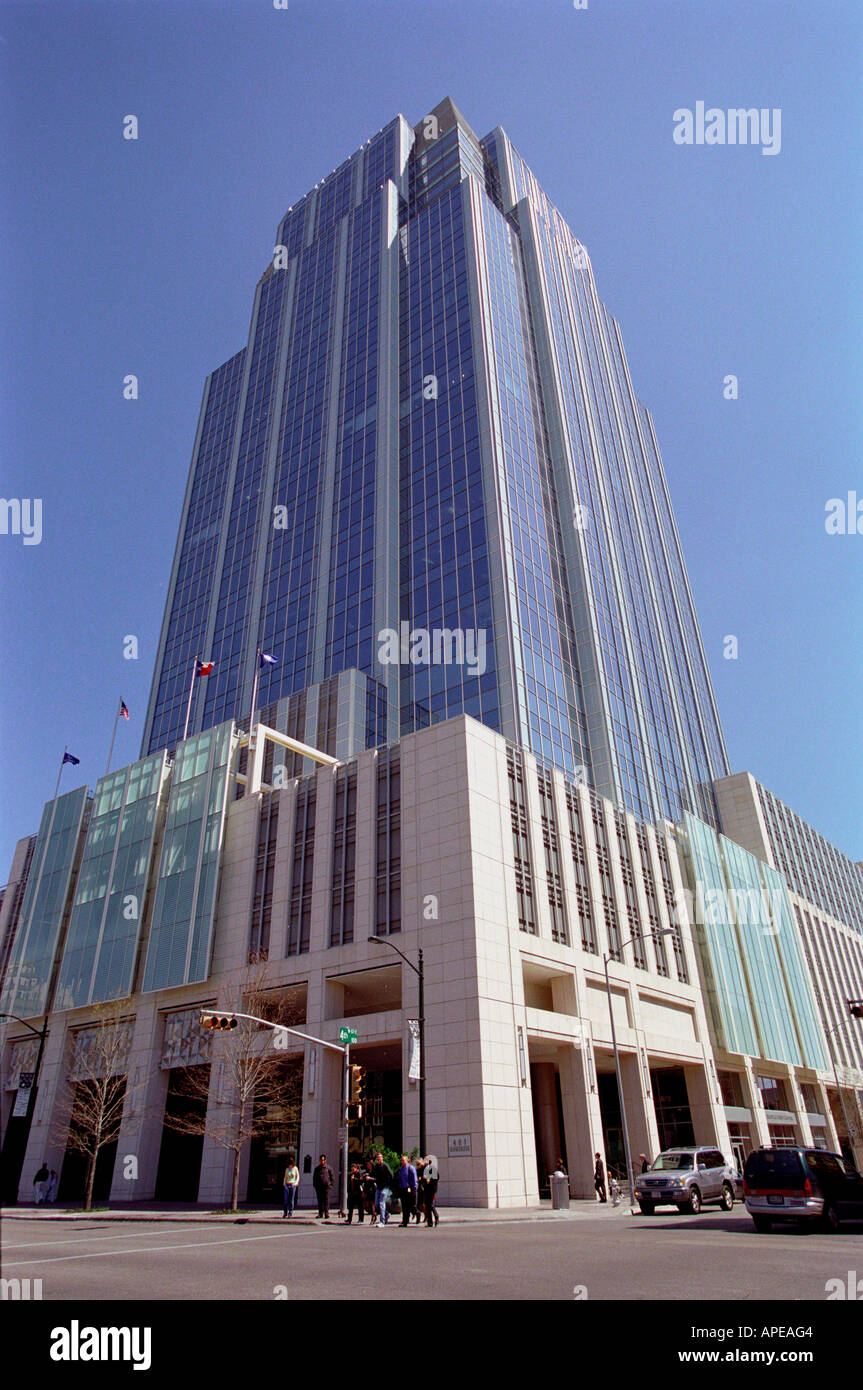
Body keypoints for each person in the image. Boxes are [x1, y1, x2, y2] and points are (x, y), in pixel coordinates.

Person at [372, 1151, 393, 1227]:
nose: (379, 1159)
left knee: (381, 1203)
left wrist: (388, 1184)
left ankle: (382, 1222)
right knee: (377, 1204)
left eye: (380, 1157)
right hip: (378, 1187)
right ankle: (386, 1214)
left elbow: (391, 1175)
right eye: (378, 1158)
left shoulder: (385, 1166)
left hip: (385, 1187)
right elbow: (375, 1175)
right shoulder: (376, 1166)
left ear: (382, 1158)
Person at [396, 1153, 418, 1226]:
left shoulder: (411, 1168)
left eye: (403, 1160)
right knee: (404, 1206)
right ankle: (405, 1221)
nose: (402, 1162)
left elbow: (414, 1179)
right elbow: (400, 1179)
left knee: (411, 1205)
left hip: (410, 1189)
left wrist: (414, 1189)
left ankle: (417, 1213)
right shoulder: (401, 1169)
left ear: (407, 1161)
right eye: (401, 1160)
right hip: (403, 1189)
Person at [312, 1153, 334, 1221]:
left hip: (326, 1186)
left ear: (325, 1160)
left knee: (326, 1200)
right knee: (320, 1200)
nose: (322, 1161)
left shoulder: (328, 1168)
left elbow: (332, 1177)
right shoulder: (317, 1169)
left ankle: (326, 1213)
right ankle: (320, 1213)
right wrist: (315, 1185)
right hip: (319, 1187)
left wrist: (330, 1185)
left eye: (323, 1160)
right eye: (321, 1160)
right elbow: (314, 1178)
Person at [422, 1154, 440, 1226]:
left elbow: (436, 1178)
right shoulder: (425, 1168)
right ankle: (430, 1221)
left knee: (430, 1204)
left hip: (431, 1189)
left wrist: (430, 1180)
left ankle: (436, 1216)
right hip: (426, 1189)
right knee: (427, 1205)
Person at [414, 1158, 426, 1223]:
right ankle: (423, 1215)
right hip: (419, 1188)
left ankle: (426, 1215)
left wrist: (420, 1179)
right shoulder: (417, 1170)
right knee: (419, 1204)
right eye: (416, 1164)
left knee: (422, 1204)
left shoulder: (424, 1169)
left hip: (423, 1188)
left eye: (418, 1164)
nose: (417, 1165)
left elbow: (425, 1178)